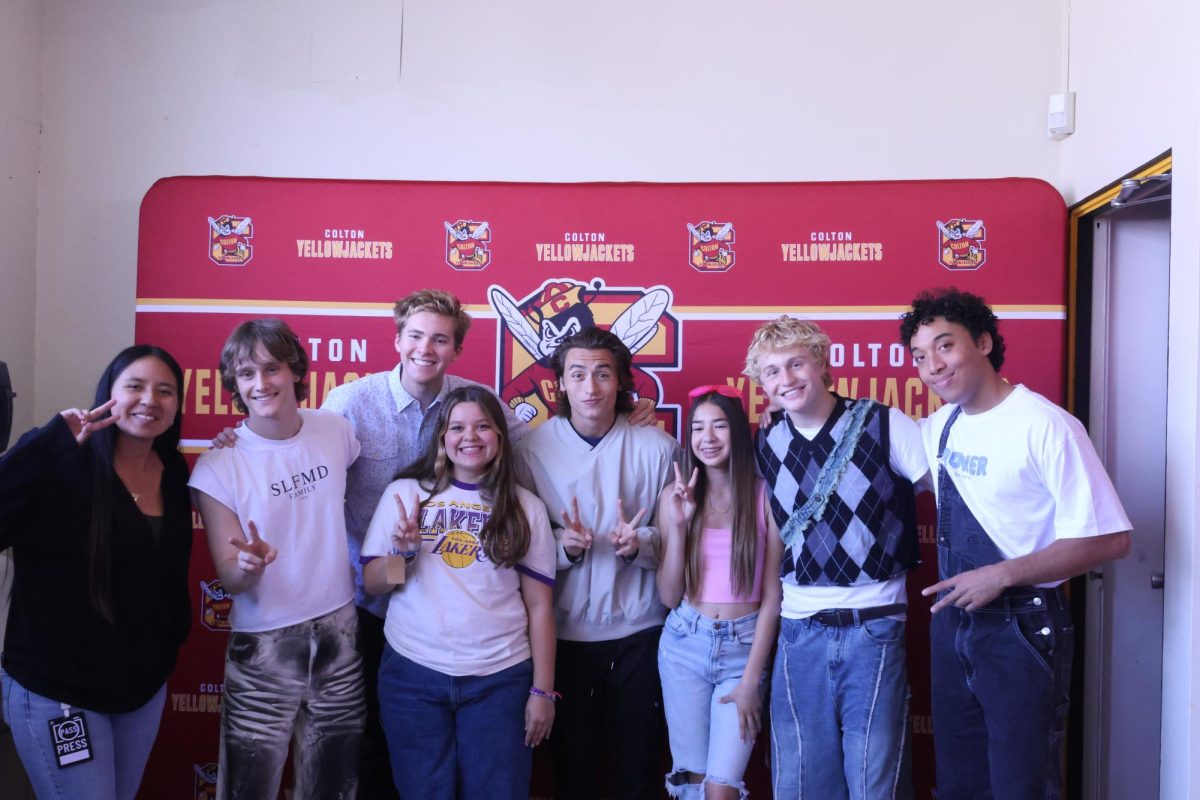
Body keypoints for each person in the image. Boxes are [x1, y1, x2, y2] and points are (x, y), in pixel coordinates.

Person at [900, 288, 1131, 800]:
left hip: (1022, 630)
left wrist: (1001, 574)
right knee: (960, 783)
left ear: (983, 342)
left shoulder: (1046, 426)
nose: (933, 366)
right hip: (955, 627)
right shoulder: (940, 426)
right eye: (920, 356)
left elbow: (1112, 540)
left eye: (945, 346)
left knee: (1020, 785)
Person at [744, 316, 929, 800]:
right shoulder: (767, 440)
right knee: (801, 782)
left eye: (796, 364)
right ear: (760, 383)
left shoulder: (884, 422)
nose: (786, 379)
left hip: (874, 626)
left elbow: (956, 498)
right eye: (771, 371)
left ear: (822, 363)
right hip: (798, 629)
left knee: (875, 782)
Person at [0, 345, 192, 800]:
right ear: (109, 394)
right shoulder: (61, 460)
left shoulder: (173, 473)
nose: (150, 400)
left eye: (165, 391)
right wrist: (47, 444)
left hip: (138, 692)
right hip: (59, 691)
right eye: (135, 386)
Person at [189, 319, 364, 800]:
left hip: (340, 635)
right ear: (234, 384)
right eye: (246, 374)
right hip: (264, 646)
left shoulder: (337, 431)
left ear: (295, 372)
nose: (260, 383)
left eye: (271, 368)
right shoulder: (217, 465)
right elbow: (229, 576)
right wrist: (246, 567)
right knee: (247, 789)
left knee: (333, 786)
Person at [362, 386, 556, 799]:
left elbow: (540, 607)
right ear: (442, 437)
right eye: (458, 427)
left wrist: (542, 691)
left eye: (483, 426)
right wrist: (405, 553)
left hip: (500, 678)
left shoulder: (526, 508)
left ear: (500, 437)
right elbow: (373, 583)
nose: (470, 437)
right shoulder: (405, 495)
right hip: (413, 675)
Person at [513, 326, 680, 800]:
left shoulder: (659, 449)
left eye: (603, 374)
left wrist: (641, 543)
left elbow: (683, 543)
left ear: (622, 382)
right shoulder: (531, 450)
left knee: (638, 770)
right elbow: (518, 543)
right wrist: (560, 545)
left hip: (642, 636)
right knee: (573, 774)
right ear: (560, 384)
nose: (591, 387)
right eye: (578, 374)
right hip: (564, 642)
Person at [656, 385, 783, 800]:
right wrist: (678, 525)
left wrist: (750, 681)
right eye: (697, 428)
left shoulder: (765, 496)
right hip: (683, 645)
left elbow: (771, 599)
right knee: (691, 783)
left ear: (738, 433)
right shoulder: (674, 497)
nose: (706, 438)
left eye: (719, 426)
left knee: (721, 789)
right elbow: (668, 595)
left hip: (742, 651)